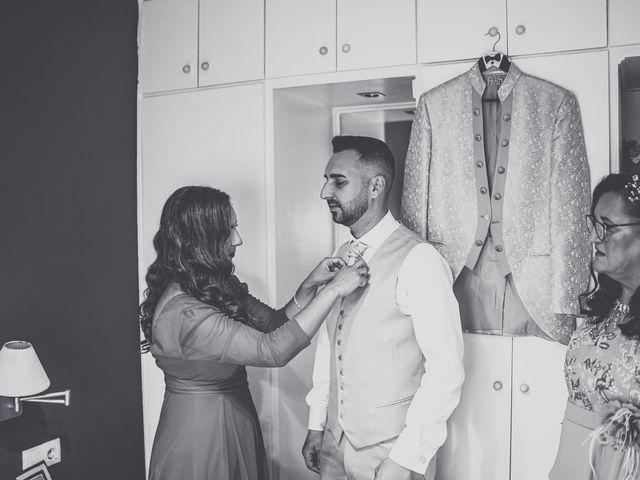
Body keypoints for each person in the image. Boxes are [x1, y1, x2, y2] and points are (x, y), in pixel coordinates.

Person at [139, 186, 369, 480]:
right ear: (201, 239)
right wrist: (336, 290)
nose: (239, 239)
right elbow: (273, 350)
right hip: (201, 436)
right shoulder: (186, 313)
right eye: (229, 229)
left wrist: (312, 284)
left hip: (235, 418)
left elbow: (273, 324)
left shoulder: (209, 285)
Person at [301, 136, 464, 480]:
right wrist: (317, 421)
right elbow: (329, 343)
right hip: (333, 445)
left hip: (391, 452)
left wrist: (406, 459)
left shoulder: (420, 259)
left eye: (338, 181)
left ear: (376, 186)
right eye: (326, 180)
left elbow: (446, 368)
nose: (325, 192)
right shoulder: (342, 254)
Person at [550, 173, 640, 480]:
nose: (593, 237)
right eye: (594, 223)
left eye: (609, 227)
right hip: (570, 466)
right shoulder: (601, 308)